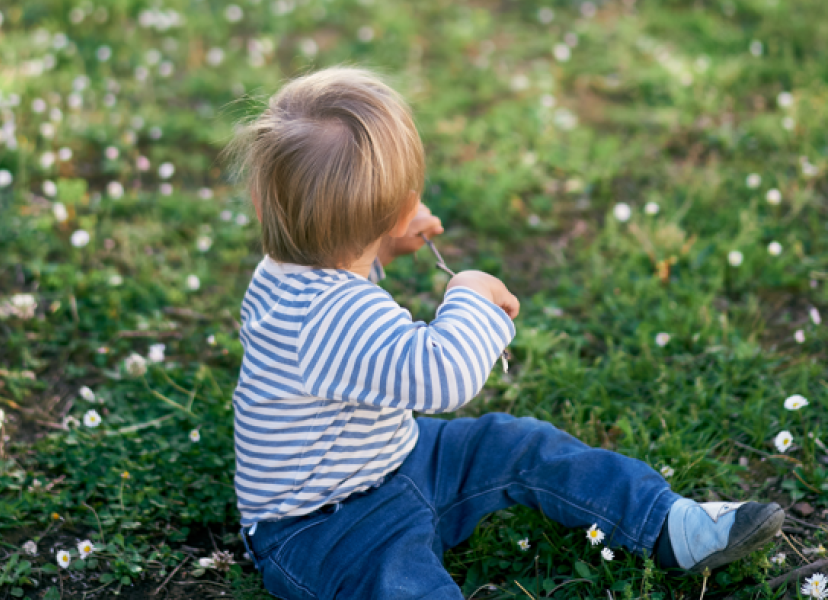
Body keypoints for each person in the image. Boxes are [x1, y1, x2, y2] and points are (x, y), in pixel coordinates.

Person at [223, 66, 784, 600]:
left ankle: (665, 522)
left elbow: (339, 267)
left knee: (522, 445)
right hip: (322, 527)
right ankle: (663, 524)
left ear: (260, 199)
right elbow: (444, 376)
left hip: (401, 458)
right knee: (399, 581)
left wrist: (384, 237)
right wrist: (470, 295)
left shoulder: (291, 272)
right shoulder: (329, 319)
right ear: (385, 212)